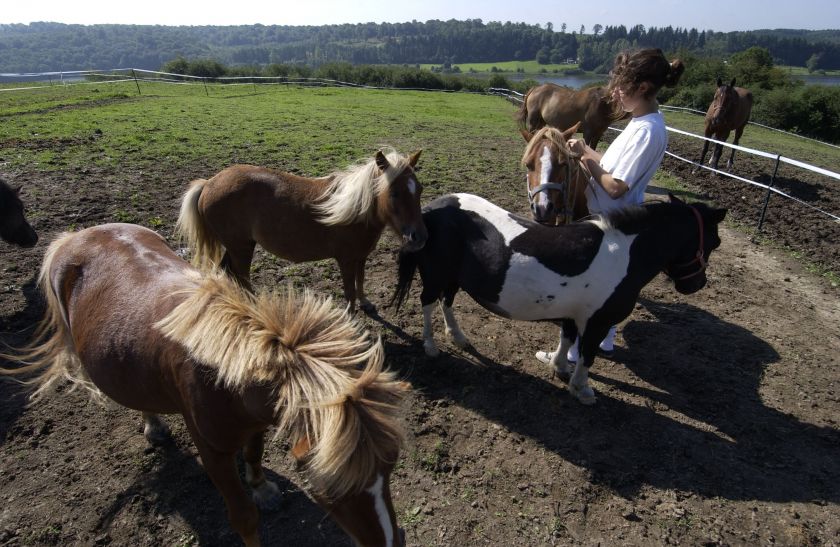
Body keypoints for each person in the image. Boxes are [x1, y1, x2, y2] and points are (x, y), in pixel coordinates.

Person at [536, 48, 685, 366]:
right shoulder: (640, 122)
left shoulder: (646, 132)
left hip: (608, 221)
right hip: (611, 218)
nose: (615, 92)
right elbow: (615, 168)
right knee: (607, 288)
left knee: (585, 291)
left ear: (642, 88)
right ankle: (605, 340)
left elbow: (616, 187)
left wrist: (586, 162)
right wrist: (588, 150)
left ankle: (572, 354)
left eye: (622, 85)